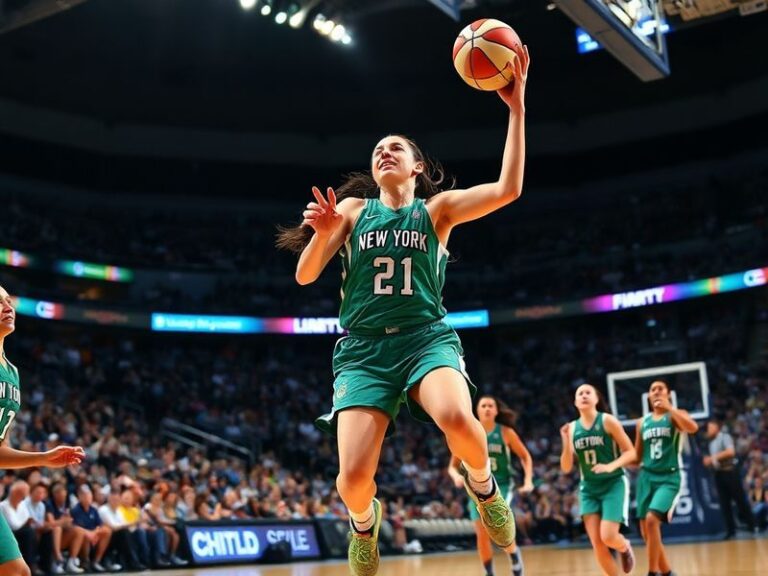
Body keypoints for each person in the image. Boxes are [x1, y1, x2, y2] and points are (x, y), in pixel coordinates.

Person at [277, 43, 530, 576]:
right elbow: (304, 274)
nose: (384, 152)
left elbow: (509, 189)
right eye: (378, 149)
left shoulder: (436, 211)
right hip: (364, 351)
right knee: (350, 480)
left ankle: (484, 488)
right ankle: (365, 524)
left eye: (396, 148)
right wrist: (322, 237)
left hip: (425, 337)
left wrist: (517, 106)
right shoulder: (350, 209)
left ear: (417, 167)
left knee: (459, 418)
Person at [0, 286, 85, 576]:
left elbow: (0, 450)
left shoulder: (12, 372)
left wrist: (44, 457)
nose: (6, 306)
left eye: (8, 301)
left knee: (17, 572)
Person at [448, 396, 533, 576]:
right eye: (483, 405)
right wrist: (455, 476)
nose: (487, 408)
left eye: (490, 406)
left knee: (499, 523)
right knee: (481, 532)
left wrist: (528, 481)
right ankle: (489, 572)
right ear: (477, 410)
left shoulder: (505, 432)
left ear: (496, 411)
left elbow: (525, 456)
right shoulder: (468, 432)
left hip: (502, 484)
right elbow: (452, 465)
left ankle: (513, 554)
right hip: (476, 487)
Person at [560, 384, 636, 576]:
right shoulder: (572, 428)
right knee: (597, 544)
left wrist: (610, 466)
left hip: (613, 484)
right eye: (580, 393)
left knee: (608, 536)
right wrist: (565, 441)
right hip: (589, 489)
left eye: (588, 392)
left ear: (596, 399)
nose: (584, 395)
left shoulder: (607, 421)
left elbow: (631, 452)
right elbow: (566, 467)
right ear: (575, 402)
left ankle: (625, 546)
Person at [634, 380, 699, 576]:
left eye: (660, 389)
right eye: (652, 389)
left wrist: (670, 407)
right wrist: (613, 463)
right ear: (648, 396)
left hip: (668, 477)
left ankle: (652, 572)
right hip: (646, 477)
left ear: (668, 394)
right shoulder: (641, 422)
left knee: (653, 521)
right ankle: (668, 572)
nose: (656, 392)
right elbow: (637, 456)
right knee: (647, 532)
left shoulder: (676, 415)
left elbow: (693, 427)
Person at [703, 415, 756, 538]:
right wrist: (709, 462)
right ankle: (730, 531)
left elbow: (730, 452)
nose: (708, 430)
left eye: (710, 427)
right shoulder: (711, 443)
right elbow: (714, 460)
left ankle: (752, 525)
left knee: (740, 500)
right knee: (724, 503)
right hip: (719, 474)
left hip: (730, 472)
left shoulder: (725, 437)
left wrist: (712, 458)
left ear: (717, 427)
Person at [70, 485, 115, 573]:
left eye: (89, 495)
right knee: (85, 535)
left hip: (93, 535)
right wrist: (89, 533)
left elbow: (100, 525)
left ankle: (97, 561)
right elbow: (75, 526)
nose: (88, 498)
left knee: (107, 531)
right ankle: (85, 561)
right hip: (82, 537)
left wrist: (95, 532)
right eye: (85, 495)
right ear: (80, 497)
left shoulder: (93, 510)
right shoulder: (76, 510)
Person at [45, 483, 85, 574]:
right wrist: (62, 521)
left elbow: (69, 521)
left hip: (63, 535)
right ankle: (57, 560)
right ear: (55, 494)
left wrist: (67, 522)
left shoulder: (66, 504)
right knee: (57, 528)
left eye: (64, 494)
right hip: (50, 536)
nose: (63, 497)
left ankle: (72, 561)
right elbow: (51, 523)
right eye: (60, 495)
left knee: (79, 531)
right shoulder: (49, 504)